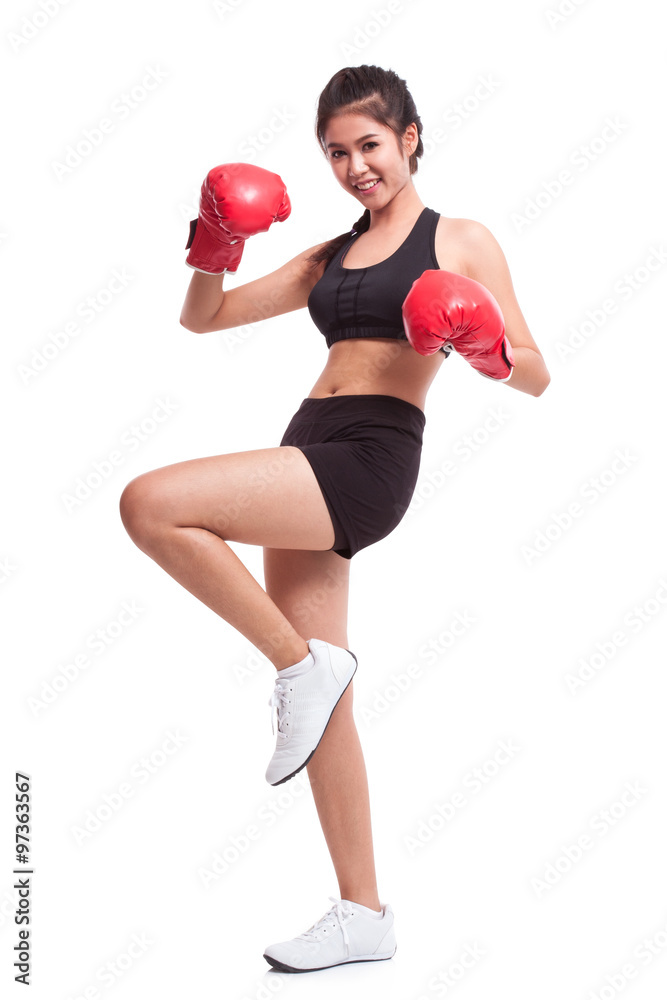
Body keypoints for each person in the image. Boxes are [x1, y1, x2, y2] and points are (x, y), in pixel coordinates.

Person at [119, 63, 550, 974]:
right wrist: (214, 237)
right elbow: (207, 319)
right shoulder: (327, 254)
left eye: (369, 146)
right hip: (306, 442)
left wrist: (480, 344)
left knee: (150, 502)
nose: (355, 166)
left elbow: (536, 367)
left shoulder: (458, 238)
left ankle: (296, 665)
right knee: (329, 709)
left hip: (366, 458)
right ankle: (363, 912)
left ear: (411, 138)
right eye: (335, 152)